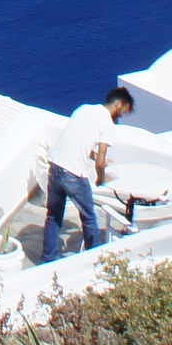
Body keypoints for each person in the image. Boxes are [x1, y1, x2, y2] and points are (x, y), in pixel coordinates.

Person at [37, 84, 135, 262]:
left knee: (53, 216)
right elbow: (100, 162)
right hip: (73, 174)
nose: (121, 116)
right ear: (119, 104)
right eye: (124, 111)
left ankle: (48, 258)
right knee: (89, 217)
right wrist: (101, 178)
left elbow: (79, 141)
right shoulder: (107, 124)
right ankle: (94, 260)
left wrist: (97, 158)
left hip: (55, 166)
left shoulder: (83, 109)